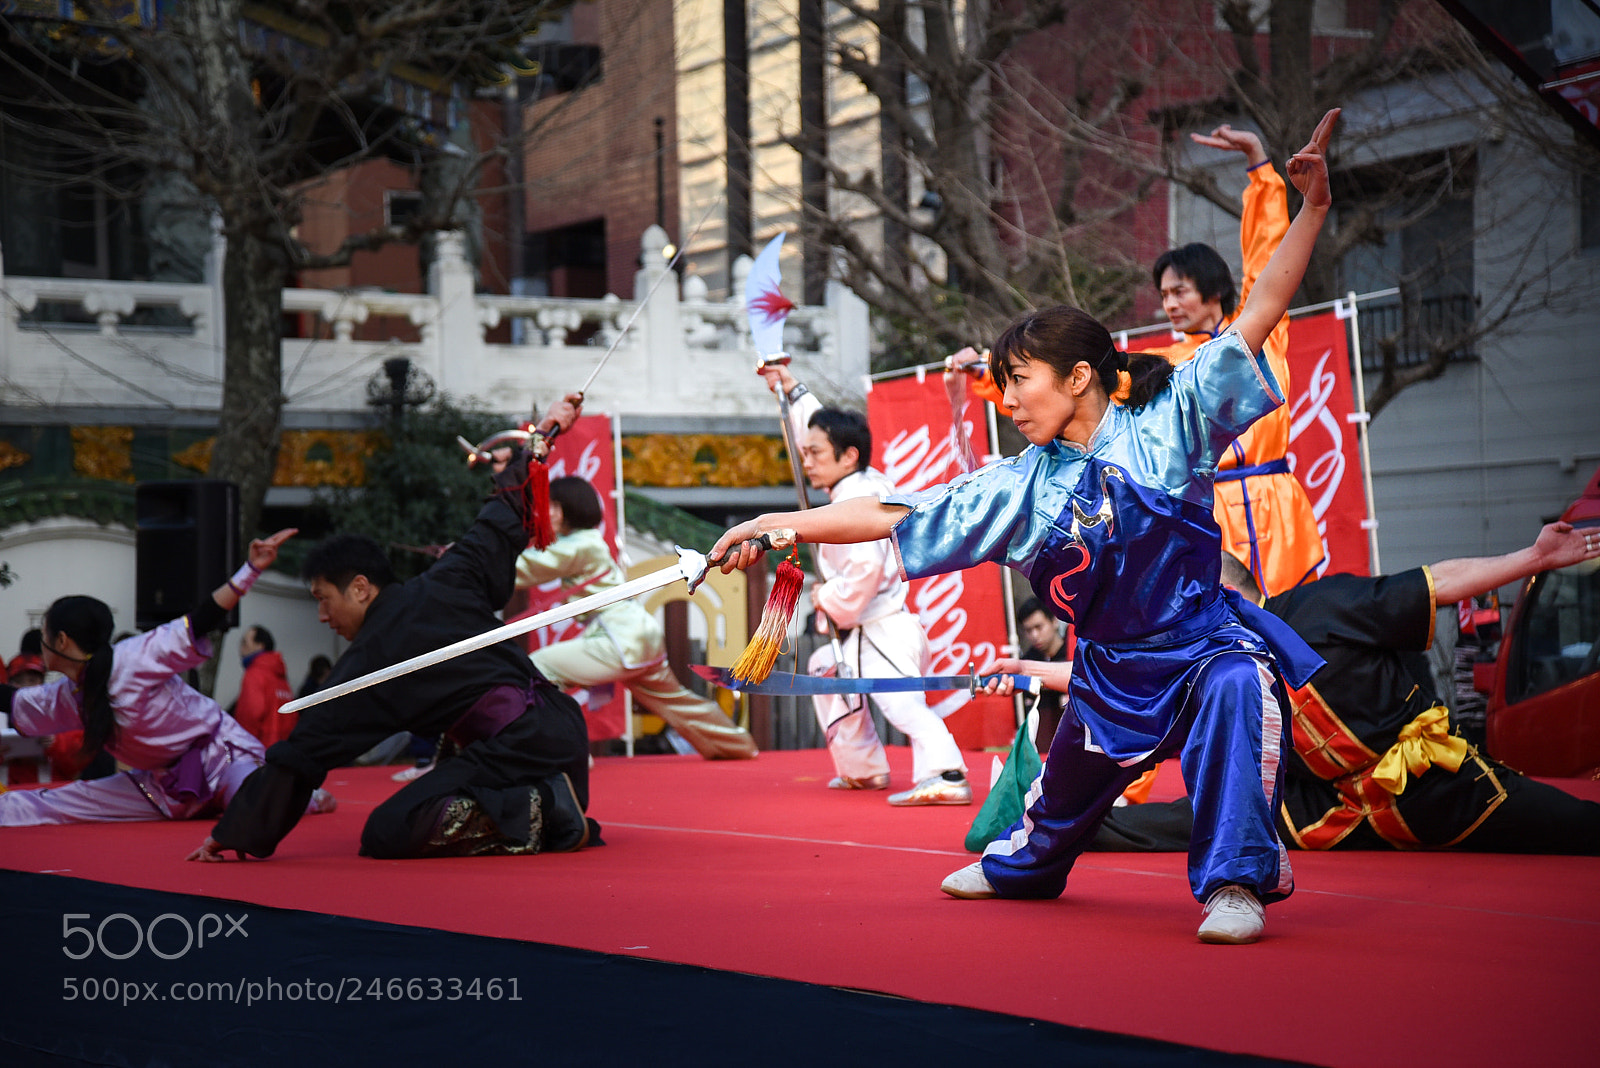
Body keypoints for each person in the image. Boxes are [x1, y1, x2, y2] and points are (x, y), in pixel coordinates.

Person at [715, 110, 1341, 943]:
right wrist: (779, 520)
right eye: (1002, 385)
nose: (1006, 402)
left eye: (1019, 383)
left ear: (1080, 376)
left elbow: (1261, 307)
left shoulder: (1175, 420)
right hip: (1110, 674)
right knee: (1052, 822)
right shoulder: (1017, 484)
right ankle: (1027, 867)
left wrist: (1314, 210)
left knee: (1238, 691)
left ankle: (1235, 887)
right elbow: (895, 511)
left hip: (1203, 649)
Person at [188, 393, 596, 862]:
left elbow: (303, 753)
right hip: (559, 732)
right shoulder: (452, 575)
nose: (324, 616)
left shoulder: (372, 661)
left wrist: (238, 830)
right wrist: (542, 436)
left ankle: (547, 809)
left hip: (525, 750)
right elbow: (499, 516)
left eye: (324, 599)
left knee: (388, 830)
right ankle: (545, 799)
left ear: (360, 587)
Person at [1079, 523, 1600, 855]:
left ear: (1226, 595)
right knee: (1201, 815)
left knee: (1572, 825)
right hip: (1327, 806)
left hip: (1425, 781)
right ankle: (1047, 832)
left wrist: (1534, 560)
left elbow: (1433, 584)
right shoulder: (1219, 663)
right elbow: (1132, 679)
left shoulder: (1322, 606)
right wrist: (1034, 669)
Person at [0, 531, 335, 826]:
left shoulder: (134, 658)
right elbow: (15, 703)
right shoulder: (67, 695)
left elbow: (200, 621)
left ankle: (305, 797)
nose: (38, 637)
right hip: (161, 787)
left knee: (253, 807)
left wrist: (251, 569)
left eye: (43, 629)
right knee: (62, 800)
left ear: (60, 641)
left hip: (222, 759)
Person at [754, 364, 970, 805]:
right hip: (864, 627)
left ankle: (947, 773)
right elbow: (816, 428)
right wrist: (792, 389)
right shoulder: (857, 484)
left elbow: (865, 573)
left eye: (815, 453)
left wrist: (823, 597)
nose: (807, 461)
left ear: (848, 455)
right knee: (825, 668)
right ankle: (863, 770)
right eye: (806, 453)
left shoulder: (859, 499)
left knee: (900, 702)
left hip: (883, 624)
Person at [1141, 123, 1325, 596]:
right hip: (1210, 512)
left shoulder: (1261, 332)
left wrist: (1259, 166)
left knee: (1295, 626)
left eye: (1179, 290)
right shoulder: (1160, 361)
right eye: (1164, 295)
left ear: (1213, 288)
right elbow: (1091, 381)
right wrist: (993, 372)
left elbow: (1268, 257)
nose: (1170, 304)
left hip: (1278, 507)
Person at [516, 476, 757, 760]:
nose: (549, 513)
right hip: (637, 634)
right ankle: (738, 746)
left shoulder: (581, 544)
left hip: (619, 637)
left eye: (556, 506)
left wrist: (474, 562)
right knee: (678, 703)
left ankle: (567, 752)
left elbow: (524, 568)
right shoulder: (586, 542)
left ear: (573, 508)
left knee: (539, 668)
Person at [1015, 598, 1071, 752]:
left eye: (1039, 627)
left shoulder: (1073, 653)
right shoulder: (1025, 663)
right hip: (1041, 745)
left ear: (1054, 621)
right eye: (1028, 630)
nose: (1034, 635)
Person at [233, 624, 296, 747]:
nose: (241, 649)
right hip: (283, 752)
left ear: (260, 646)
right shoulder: (280, 675)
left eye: (244, 643)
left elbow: (249, 717)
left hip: (261, 753)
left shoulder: (254, 674)